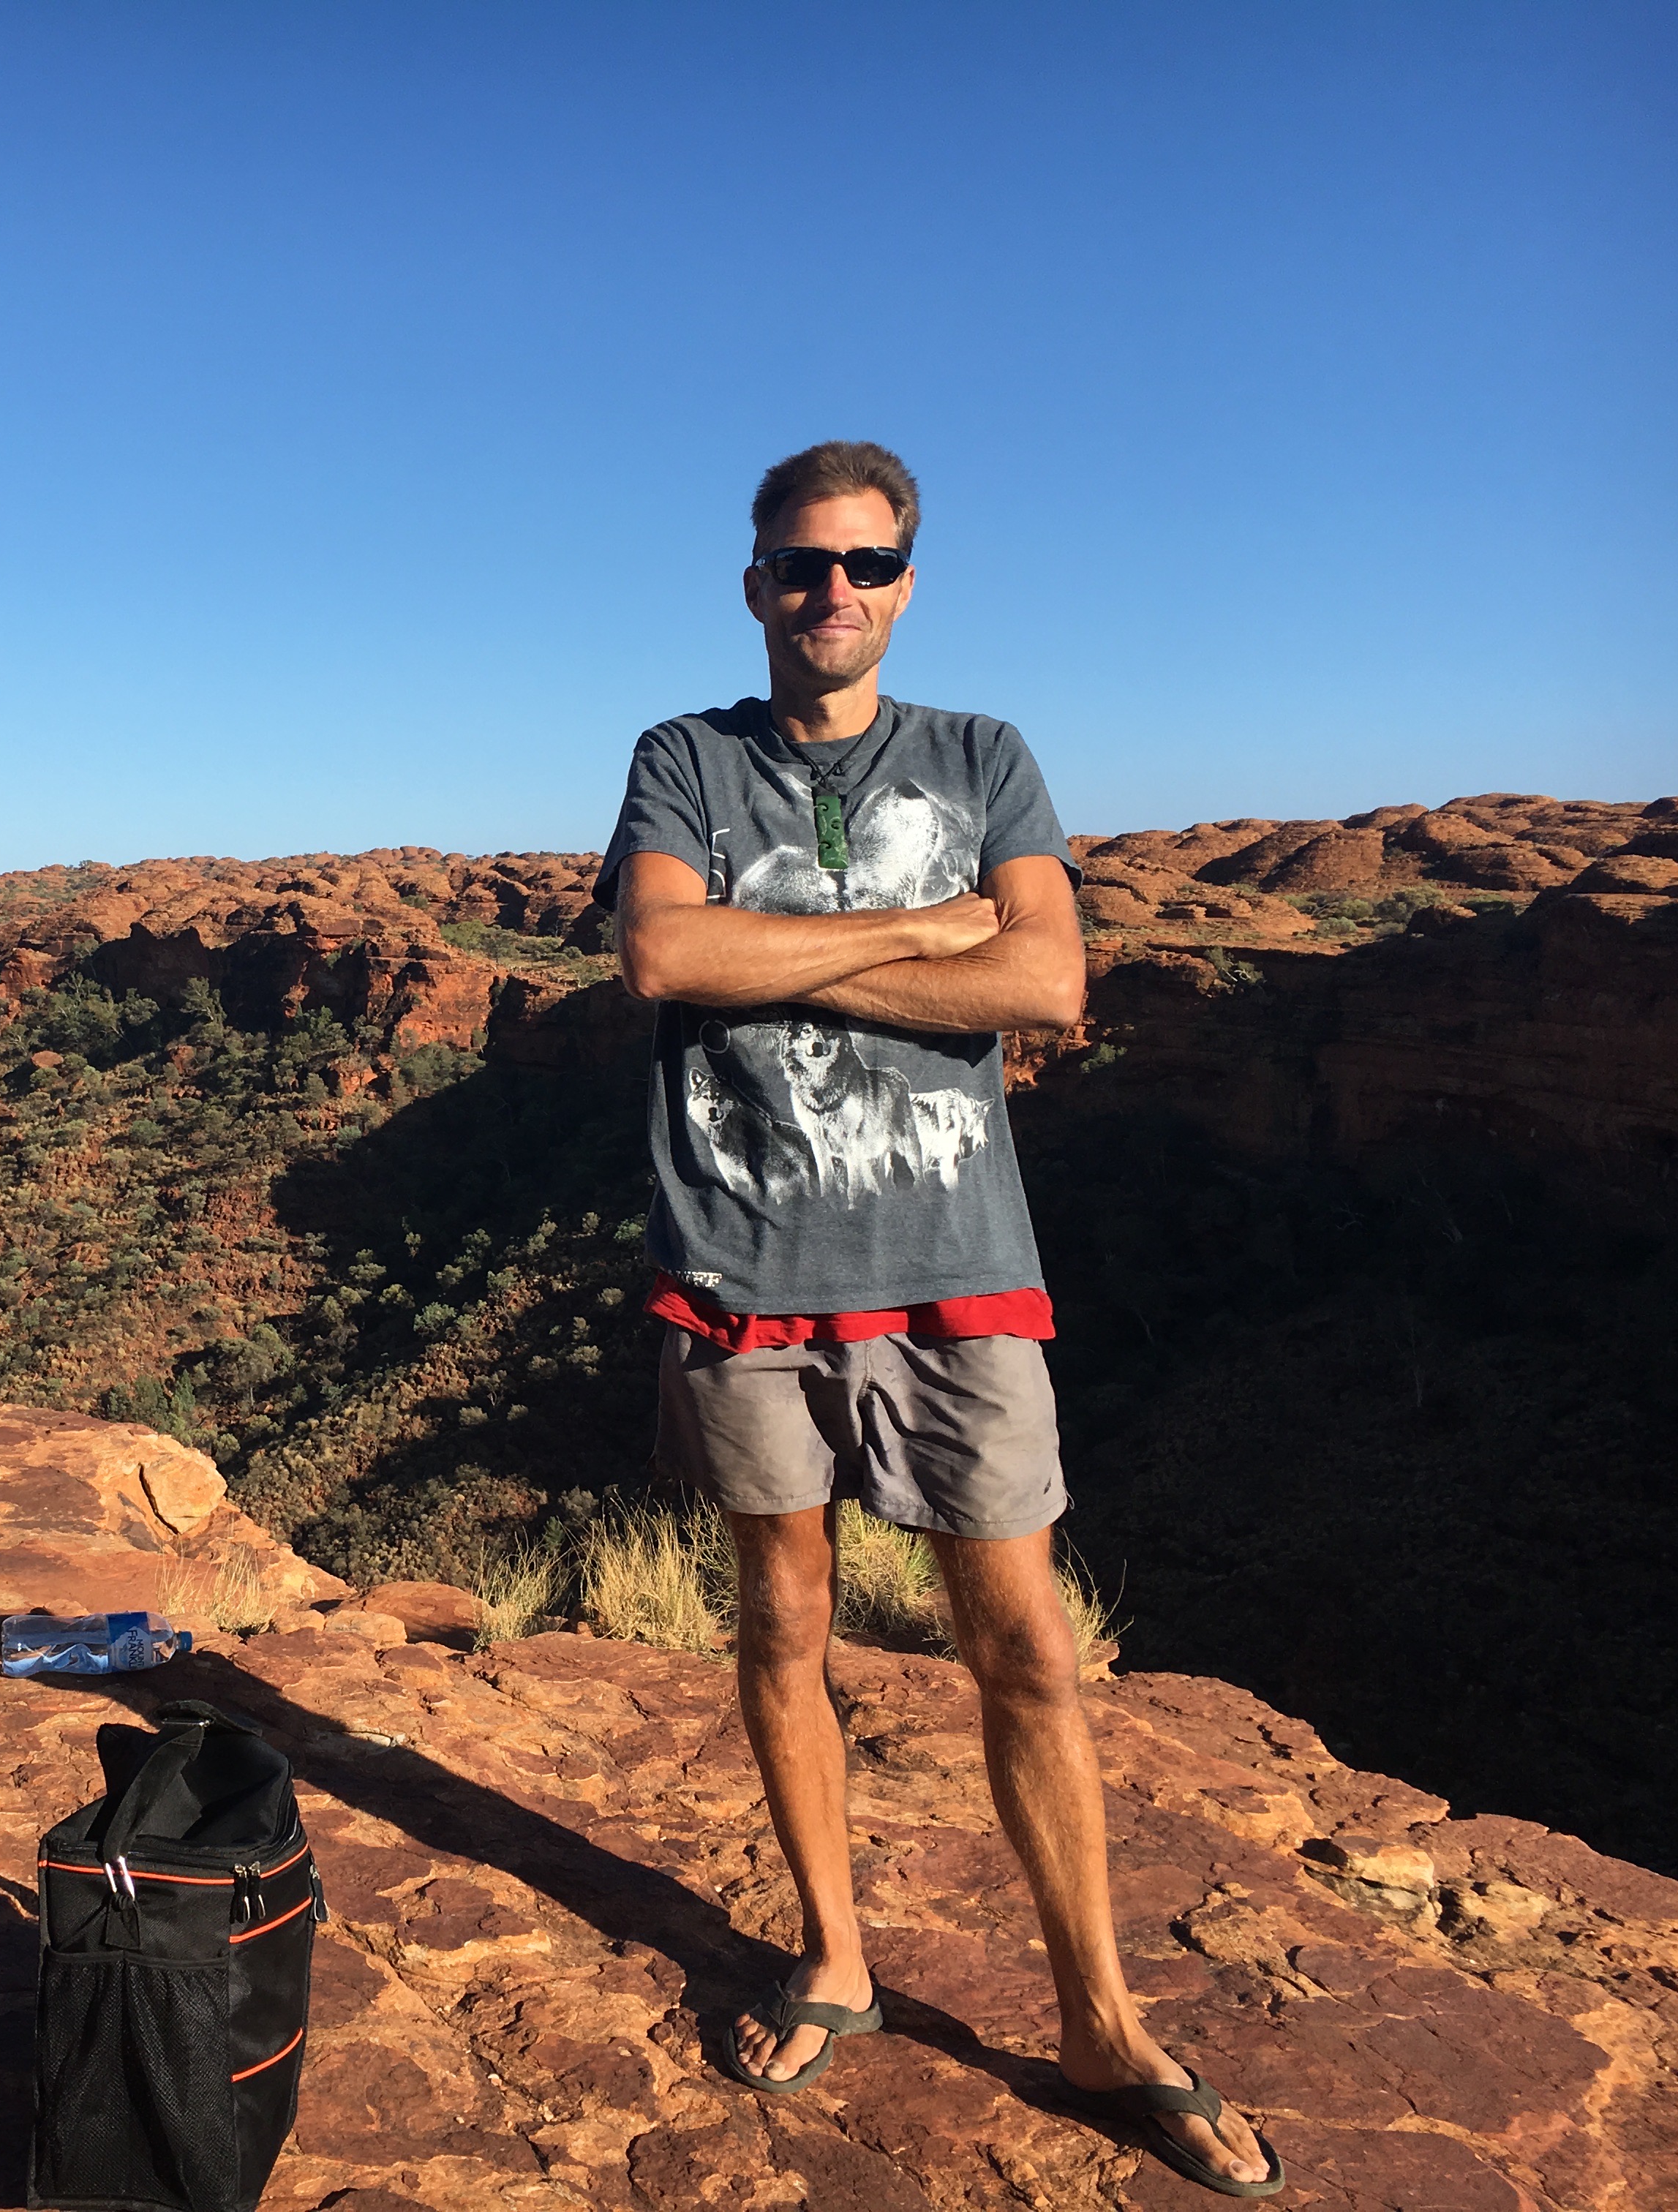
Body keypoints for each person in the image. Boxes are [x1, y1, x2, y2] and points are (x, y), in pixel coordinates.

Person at [599, 440, 1283, 2199]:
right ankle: (834, 1955)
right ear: (753, 586)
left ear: (909, 580)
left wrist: (800, 940)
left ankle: (1098, 2016)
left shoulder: (986, 756)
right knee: (784, 1626)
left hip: (958, 1262)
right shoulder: (684, 758)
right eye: (799, 567)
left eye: (865, 565)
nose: (832, 594)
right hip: (745, 1262)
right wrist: (931, 928)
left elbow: (1047, 983)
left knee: (1028, 1648)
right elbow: (667, 964)